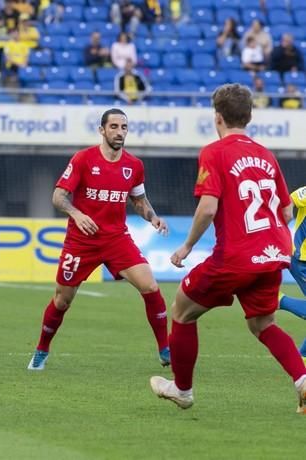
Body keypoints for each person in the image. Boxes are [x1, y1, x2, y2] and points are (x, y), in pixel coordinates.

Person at [150, 84, 306, 413]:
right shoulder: (266, 154)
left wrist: (188, 246)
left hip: (236, 255)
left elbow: (207, 208)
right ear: (248, 117)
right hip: (274, 254)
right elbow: (287, 211)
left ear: (217, 117)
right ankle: (303, 380)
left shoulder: (214, 151)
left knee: (181, 311)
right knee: (263, 325)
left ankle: (182, 390)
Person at [27, 108, 171, 371]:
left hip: (116, 239)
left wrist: (152, 217)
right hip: (81, 242)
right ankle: (41, 349)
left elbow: (138, 200)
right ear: (102, 130)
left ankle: (165, 349)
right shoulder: (83, 159)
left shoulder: (134, 166)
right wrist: (76, 214)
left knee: (150, 286)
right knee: (62, 300)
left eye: (124, 127)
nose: (119, 132)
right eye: (114, 127)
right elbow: (58, 196)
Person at [278, 185, 306, 363]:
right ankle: (278, 300)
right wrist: (276, 231)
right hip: (302, 259)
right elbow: (289, 202)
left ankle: (302, 357)